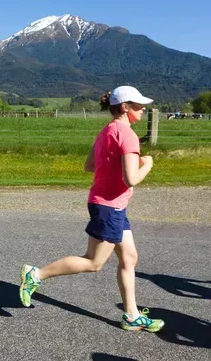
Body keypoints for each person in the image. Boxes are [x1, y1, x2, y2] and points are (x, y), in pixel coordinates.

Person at [18, 86, 165, 333]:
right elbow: (132, 179)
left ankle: (131, 315)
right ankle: (36, 275)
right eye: (138, 105)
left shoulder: (106, 131)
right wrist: (148, 164)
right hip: (109, 208)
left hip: (109, 204)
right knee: (94, 262)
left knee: (129, 257)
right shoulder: (127, 134)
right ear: (125, 107)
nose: (143, 108)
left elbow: (89, 165)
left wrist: (114, 165)